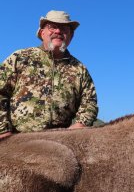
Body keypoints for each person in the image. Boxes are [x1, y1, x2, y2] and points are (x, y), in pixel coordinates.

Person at [0, 10, 98, 139]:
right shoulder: (20, 58)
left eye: (64, 28)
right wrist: (3, 130)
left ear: (71, 35)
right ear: (42, 33)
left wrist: (80, 124)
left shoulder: (80, 69)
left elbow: (90, 102)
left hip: (61, 143)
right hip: (18, 140)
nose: (58, 31)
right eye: (52, 27)